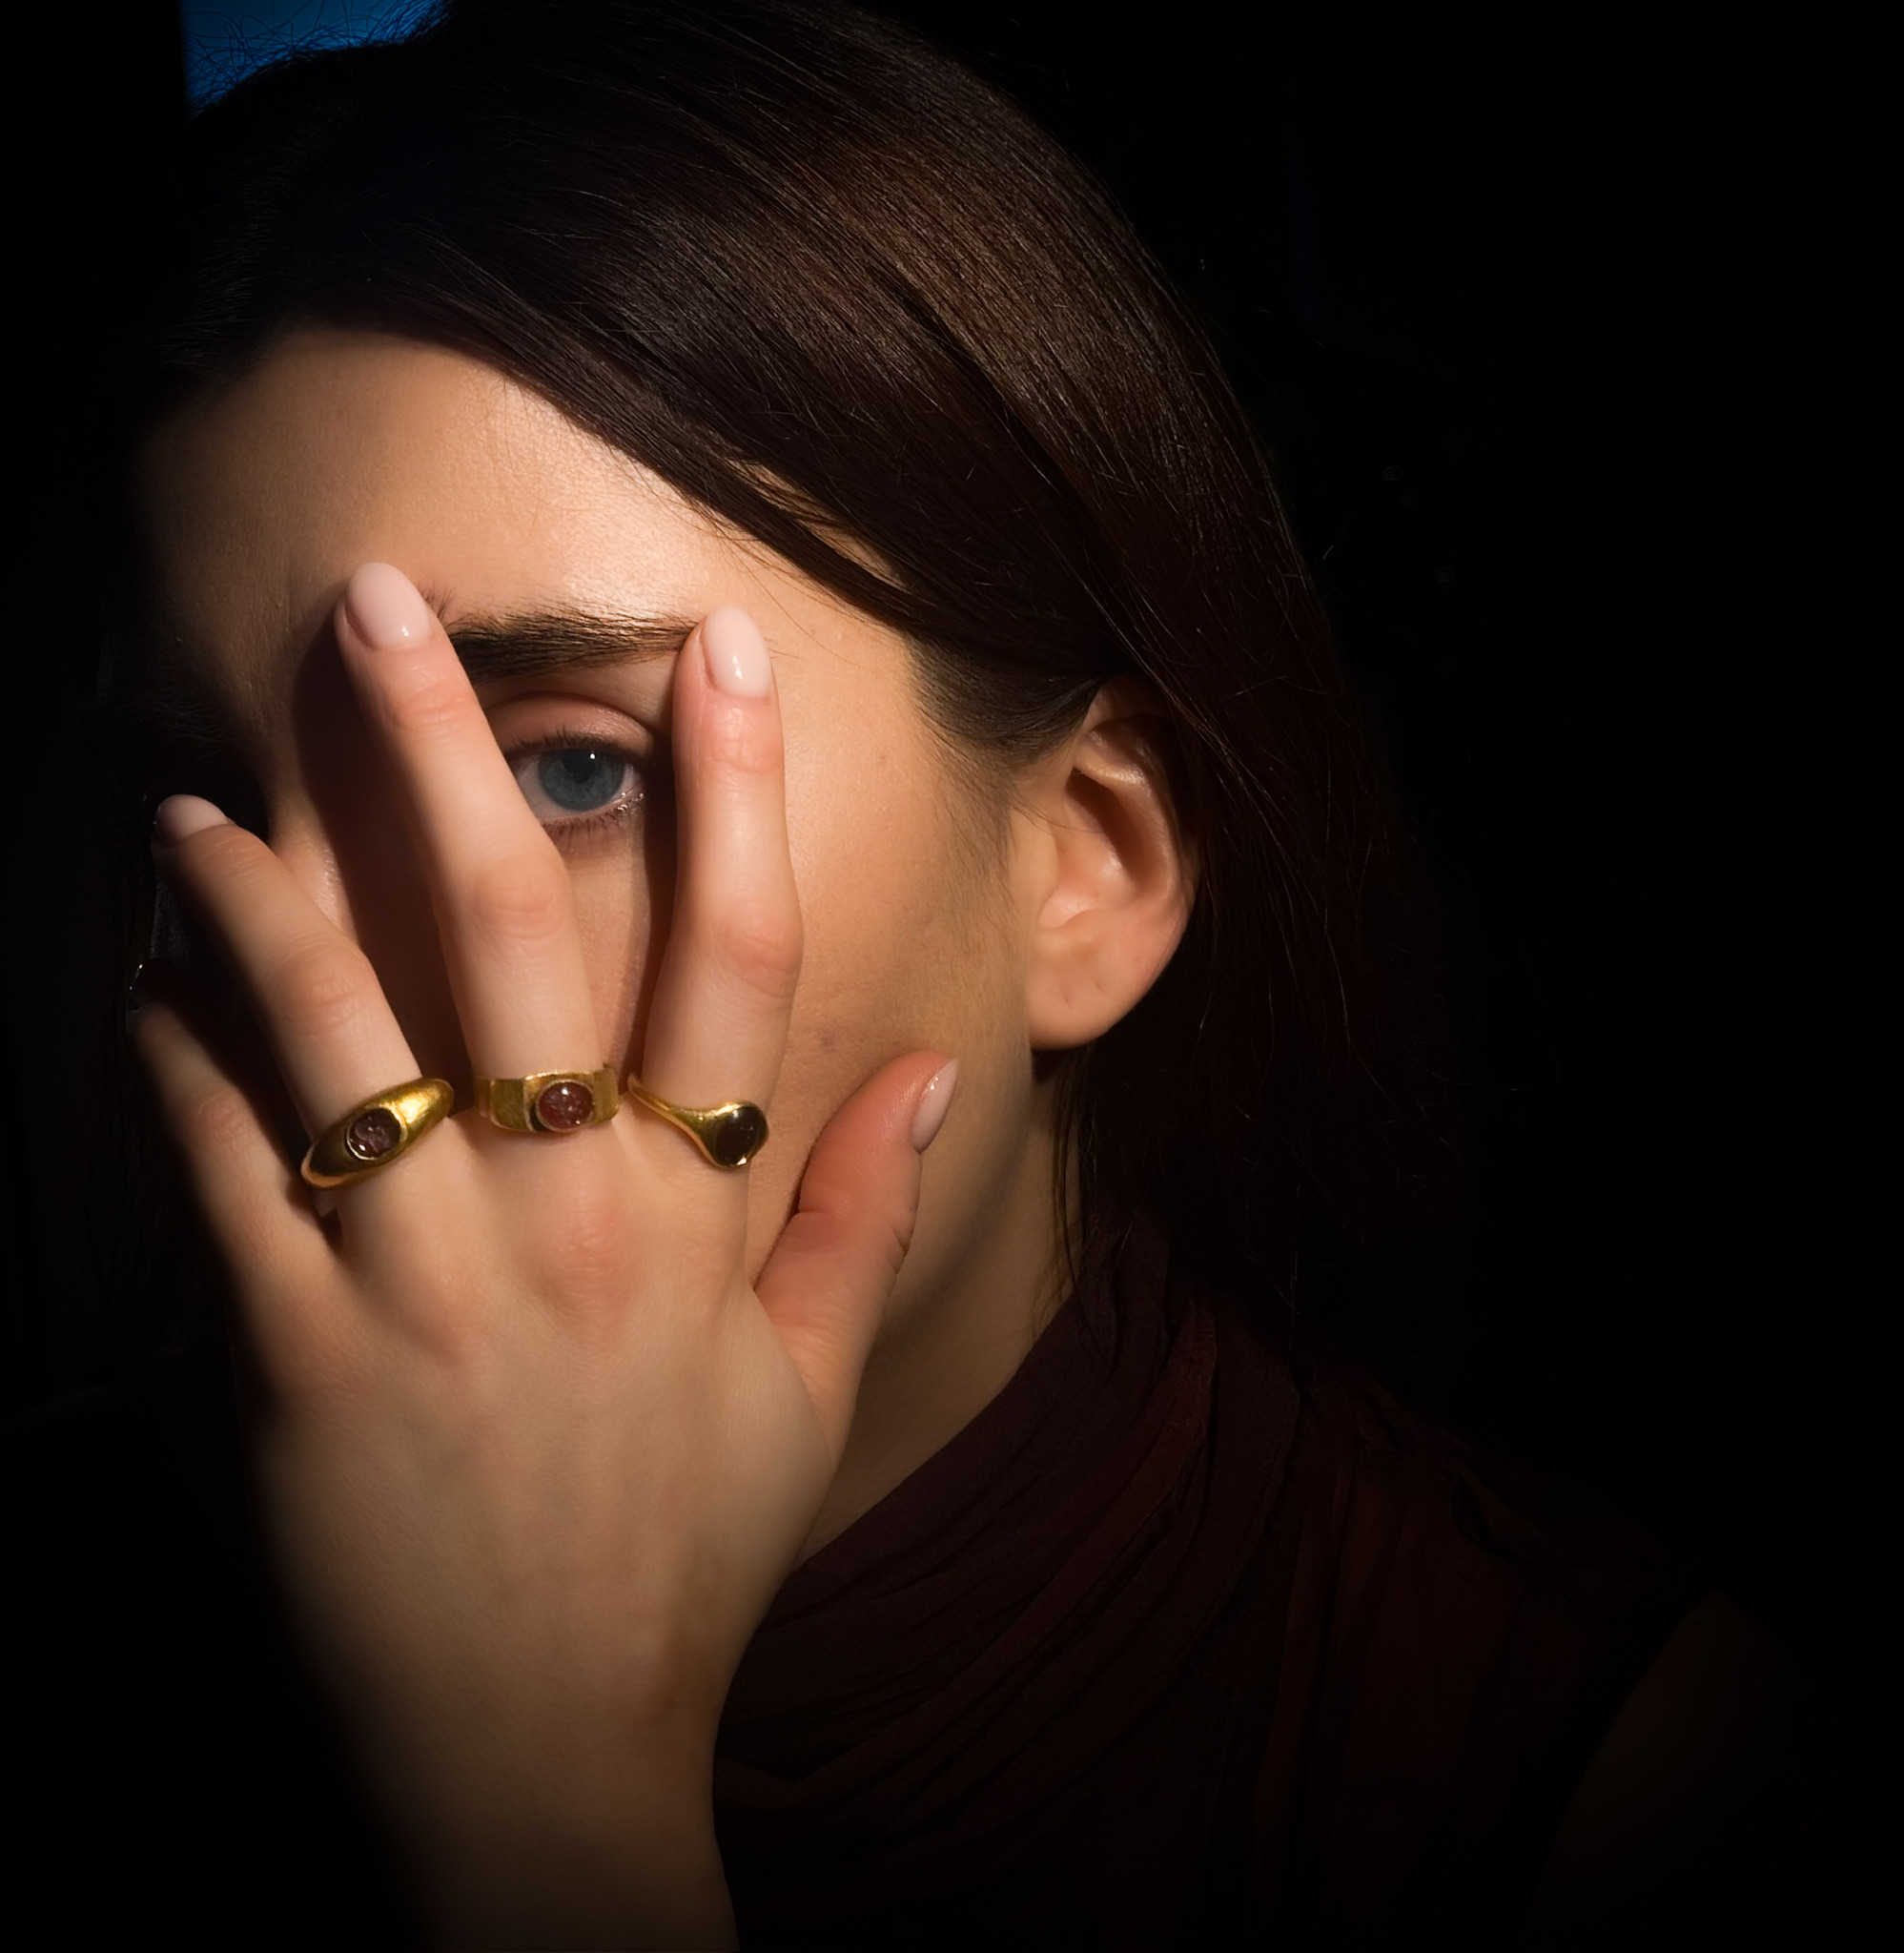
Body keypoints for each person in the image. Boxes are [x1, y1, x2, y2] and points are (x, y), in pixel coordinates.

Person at [9, 1, 1872, 1947]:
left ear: (1091, 862)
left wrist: (546, 1821)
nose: (324, 985)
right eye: (203, 807)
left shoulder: (1648, 1817)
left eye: (569, 767)